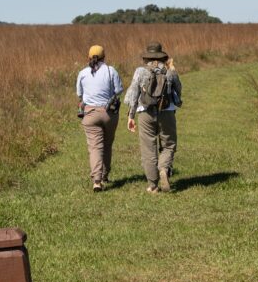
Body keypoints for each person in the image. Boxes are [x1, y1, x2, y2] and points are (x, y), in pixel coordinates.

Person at [124, 42, 183, 193]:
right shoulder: (170, 70)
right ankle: (163, 168)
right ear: (162, 55)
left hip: (146, 113)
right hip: (167, 112)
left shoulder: (140, 71)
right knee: (169, 144)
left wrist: (130, 116)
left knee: (148, 149)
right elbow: (179, 90)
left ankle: (153, 185)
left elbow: (133, 95)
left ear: (147, 57)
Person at [76, 45, 124, 192]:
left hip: (90, 114)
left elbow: (79, 94)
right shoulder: (111, 70)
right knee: (107, 145)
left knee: (95, 147)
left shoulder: (83, 73)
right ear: (104, 57)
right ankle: (104, 175)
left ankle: (97, 181)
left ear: (89, 58)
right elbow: (119, 90)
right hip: (109, 113)